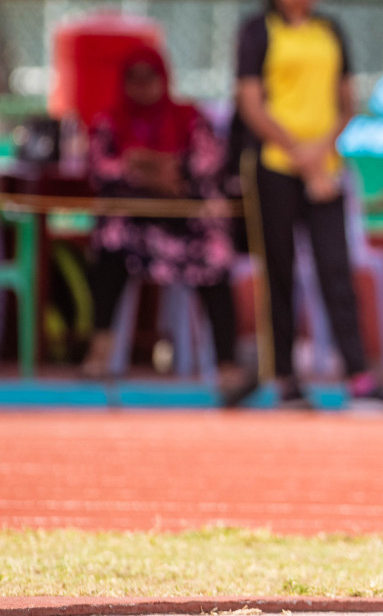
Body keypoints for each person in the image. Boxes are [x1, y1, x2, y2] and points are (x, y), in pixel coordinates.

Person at [235, 0, 383, 410]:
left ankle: (359, 376)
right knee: (280, 273)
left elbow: (347, 104)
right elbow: (251, 103)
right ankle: (285, 378)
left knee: (336, 270)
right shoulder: (257, 30)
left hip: (324, 169)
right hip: (275, 167)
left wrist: (321, 153)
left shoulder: (331, 30)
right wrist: (299, 155)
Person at [79, 46, 255, 403]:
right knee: (110, 241)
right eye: (134, 78)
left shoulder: (189, 118)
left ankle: (226, 363)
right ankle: (100, 349)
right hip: (134, 224)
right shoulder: (110, 121)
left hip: (183, 222)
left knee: (216, 253)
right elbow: (101, 169)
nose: (142, 86)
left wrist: (147, 166)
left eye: (150, 77)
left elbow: (205, 165)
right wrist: (154, 171)